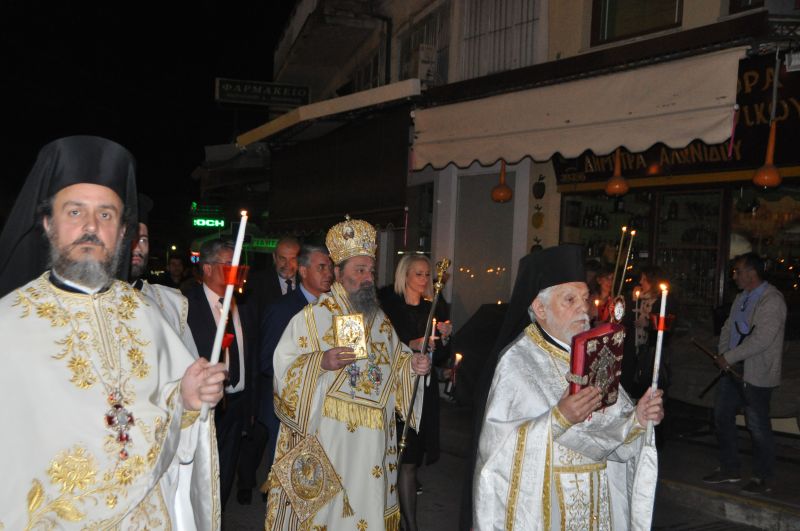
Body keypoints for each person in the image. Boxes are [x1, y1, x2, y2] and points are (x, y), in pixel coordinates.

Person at [0, 135, 225, 528]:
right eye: (75, 212)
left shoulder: (146, 316)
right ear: (48, 223)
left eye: (106, 215)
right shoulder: (9, 322)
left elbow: (168, 409)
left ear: (123, 232)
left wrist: (187, 398)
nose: (90, 226)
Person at [473, 244, 663, 530]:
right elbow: (497, 452)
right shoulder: (518, 362)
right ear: (540, 308)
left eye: (585, 299)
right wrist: (558, 419)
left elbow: (614, 426)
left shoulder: (593, 351)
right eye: (569, 300)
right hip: (548, 510)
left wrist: (639, 417)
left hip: (598, 503)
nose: (583, 309)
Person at [264, 217, 431, 530]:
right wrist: (320, 362)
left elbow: (396, 362)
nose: (368, 278)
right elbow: (283, 367)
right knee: (331, 515)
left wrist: (413, 366)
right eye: (359, 270)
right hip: (332, 439)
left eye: (370, 270)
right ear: (338, 273)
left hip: (375, 441)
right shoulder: (313, 318)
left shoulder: (380, 319)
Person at [378, 255, 451, 531]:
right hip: (395, 392)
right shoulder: (388, 308)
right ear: (404, 275)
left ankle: (411, 525)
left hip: (423, 393)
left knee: (409, 463)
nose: (424, 280)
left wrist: (443, 338)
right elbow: (382, 346)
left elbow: (440, 355)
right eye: (418, 274)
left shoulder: (435, 308)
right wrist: (409, 344)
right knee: (390, 459)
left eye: (427, 275)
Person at [703, 252, 786, 494]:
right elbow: (728, 328)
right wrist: (723, 355)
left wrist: (728, 357)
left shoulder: (772, 300)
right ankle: (730, 469)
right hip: (733, 368)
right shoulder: (742, 297)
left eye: (738, 271)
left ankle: (763, 477)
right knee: (722, 417)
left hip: (756, 373)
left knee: (757, 426)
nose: (734, 275)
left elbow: (761, 340)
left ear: (751, 273)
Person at [186, 239, 260, 511]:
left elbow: (251, 356)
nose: (236, 269)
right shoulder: (186, 306)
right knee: (200, 474)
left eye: (238, 264)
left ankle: (217, 517)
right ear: (207, 268)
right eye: (229, 264)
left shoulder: (245, 304)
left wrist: (250, 405)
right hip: (205, 405)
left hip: (237, 405)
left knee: (225, 474)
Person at [257, 244, 334, 497]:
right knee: (287, 485)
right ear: (303, 271)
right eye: (321, 267)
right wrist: (314, 365)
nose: (328, 273)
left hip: (323, 409)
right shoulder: (283, 309)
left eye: (330, 267)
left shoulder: (334, 307)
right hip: (288, 410)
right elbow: (268, 362)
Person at [236, 235, 302, 505]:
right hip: (266, 372)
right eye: (282, 259)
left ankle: (274, 485)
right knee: (261, 431)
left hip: (295, 374)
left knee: (285, 434)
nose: (288, 265)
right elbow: (252, 330)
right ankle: (246, 480)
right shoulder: (259, 284)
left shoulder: (307, 287)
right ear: (275, 259)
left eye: (293, 258)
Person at [130, 193, 199, 355]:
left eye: (143, 240)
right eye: (131, 239)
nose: (138, 248)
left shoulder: (170, 302)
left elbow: (188, 362)